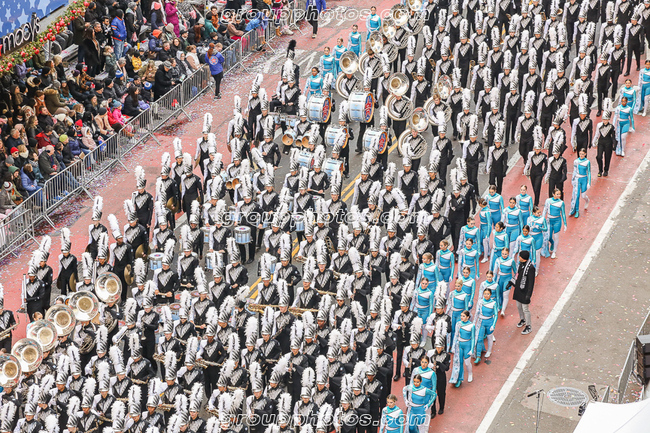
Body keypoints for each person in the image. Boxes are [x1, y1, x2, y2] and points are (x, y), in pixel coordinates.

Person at [508, 250, 536, 335]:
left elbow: (531, 283)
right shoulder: (521, 264)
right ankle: (522, 319)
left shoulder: (530, 268)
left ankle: (528, 326)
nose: (518, 257)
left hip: (525, 291)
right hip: (519, 289)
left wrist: (528, 295)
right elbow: (517, 275)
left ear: (523, 258)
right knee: (519, 306)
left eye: (520, 256)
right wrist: (511, 282)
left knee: (525, 309)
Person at [543, 188, 567, 259]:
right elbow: (545, 210)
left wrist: (565, 224)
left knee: (556, 237)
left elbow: (563, 213)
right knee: (548, 237)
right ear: (553, 194)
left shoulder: (561, 203)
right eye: (557, 194)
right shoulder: (548, 201)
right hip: (549, 220)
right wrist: (542, 220)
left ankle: (554, 252)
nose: (559, 195)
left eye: (559, 194)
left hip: (557, 221)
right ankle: (552, 243)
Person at [570, 148, 592, 218]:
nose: (581, 155)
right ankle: (577, 210)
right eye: (580, 154)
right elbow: (574, 171)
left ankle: (587, 200)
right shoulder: (576, 161)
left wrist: (589, 182)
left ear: (585, 154)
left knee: (583, 195)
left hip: (584, 179)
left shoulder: (587, 162)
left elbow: (589, 172)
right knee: (577, 196)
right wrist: (573, 179)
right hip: (577, 179)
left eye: (582, 154)